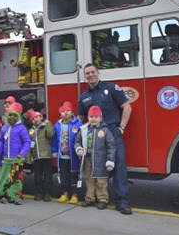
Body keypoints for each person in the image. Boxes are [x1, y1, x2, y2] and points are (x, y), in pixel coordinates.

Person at [78, 62, 132, 215]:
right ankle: (96, 198)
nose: (90, 75)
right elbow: (80, 117)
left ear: (98, 72)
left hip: (112, 132)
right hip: (93, 136)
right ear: (85, 76)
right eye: (87, 73)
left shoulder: (111, 88)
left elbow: (127, 107)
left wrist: (121, 127)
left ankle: (122, 202)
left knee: (119, 164)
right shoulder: (84, 96)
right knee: (93, 168)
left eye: (92, 72)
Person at [75, 105, 116, 210]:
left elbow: (111, 146)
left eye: (96, 117)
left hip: (101, 160)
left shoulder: (105, 131)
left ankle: (102, 199)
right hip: (88, 159)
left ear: (101, 118)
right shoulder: (84, 129)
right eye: (91, 116)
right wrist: (79, 148)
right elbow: (77, 141)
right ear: (88, 118)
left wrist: (110, 161)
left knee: (101, 180)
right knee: (89, 180)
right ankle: (89, 198)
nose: (93, 119)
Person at [0, 102, 31, 205]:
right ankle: (6, 196)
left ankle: (18, 197)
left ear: (18, 116)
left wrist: (21, 154)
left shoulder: (21, 128)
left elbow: (27, 142)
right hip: (6, 159)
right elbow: (0, 141)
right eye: (10, 115)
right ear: (7, 116)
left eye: (15, 115)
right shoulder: (4, 128)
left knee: (16, 179)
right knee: (6, 178)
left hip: (17, 159)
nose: (12, 117)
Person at [52, 101, 82, 204]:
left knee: (74, 176)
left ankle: (74, 195)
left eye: (68, 110)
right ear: (60, 113)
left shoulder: (78, 124)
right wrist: (54, 151)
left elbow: (81, 139)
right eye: (63, 111)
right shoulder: (57, 125)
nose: (65, 113)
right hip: (62, 157)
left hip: (73, 157)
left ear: (72, 111)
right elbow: (55, 139)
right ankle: (65, 194)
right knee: (63, 176)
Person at [27, 110, 55, 202]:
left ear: (41, 117)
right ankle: (39, 193)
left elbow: (51, 134)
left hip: (46, 156)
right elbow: (30, 145)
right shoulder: (30, 131)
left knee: (47, 176)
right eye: (33, 119)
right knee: (37, 177)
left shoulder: (45, 127)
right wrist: (29, 157)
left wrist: (48, 124)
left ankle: (47, 193)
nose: (35, 120)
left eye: (37, 117)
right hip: (36, 157)